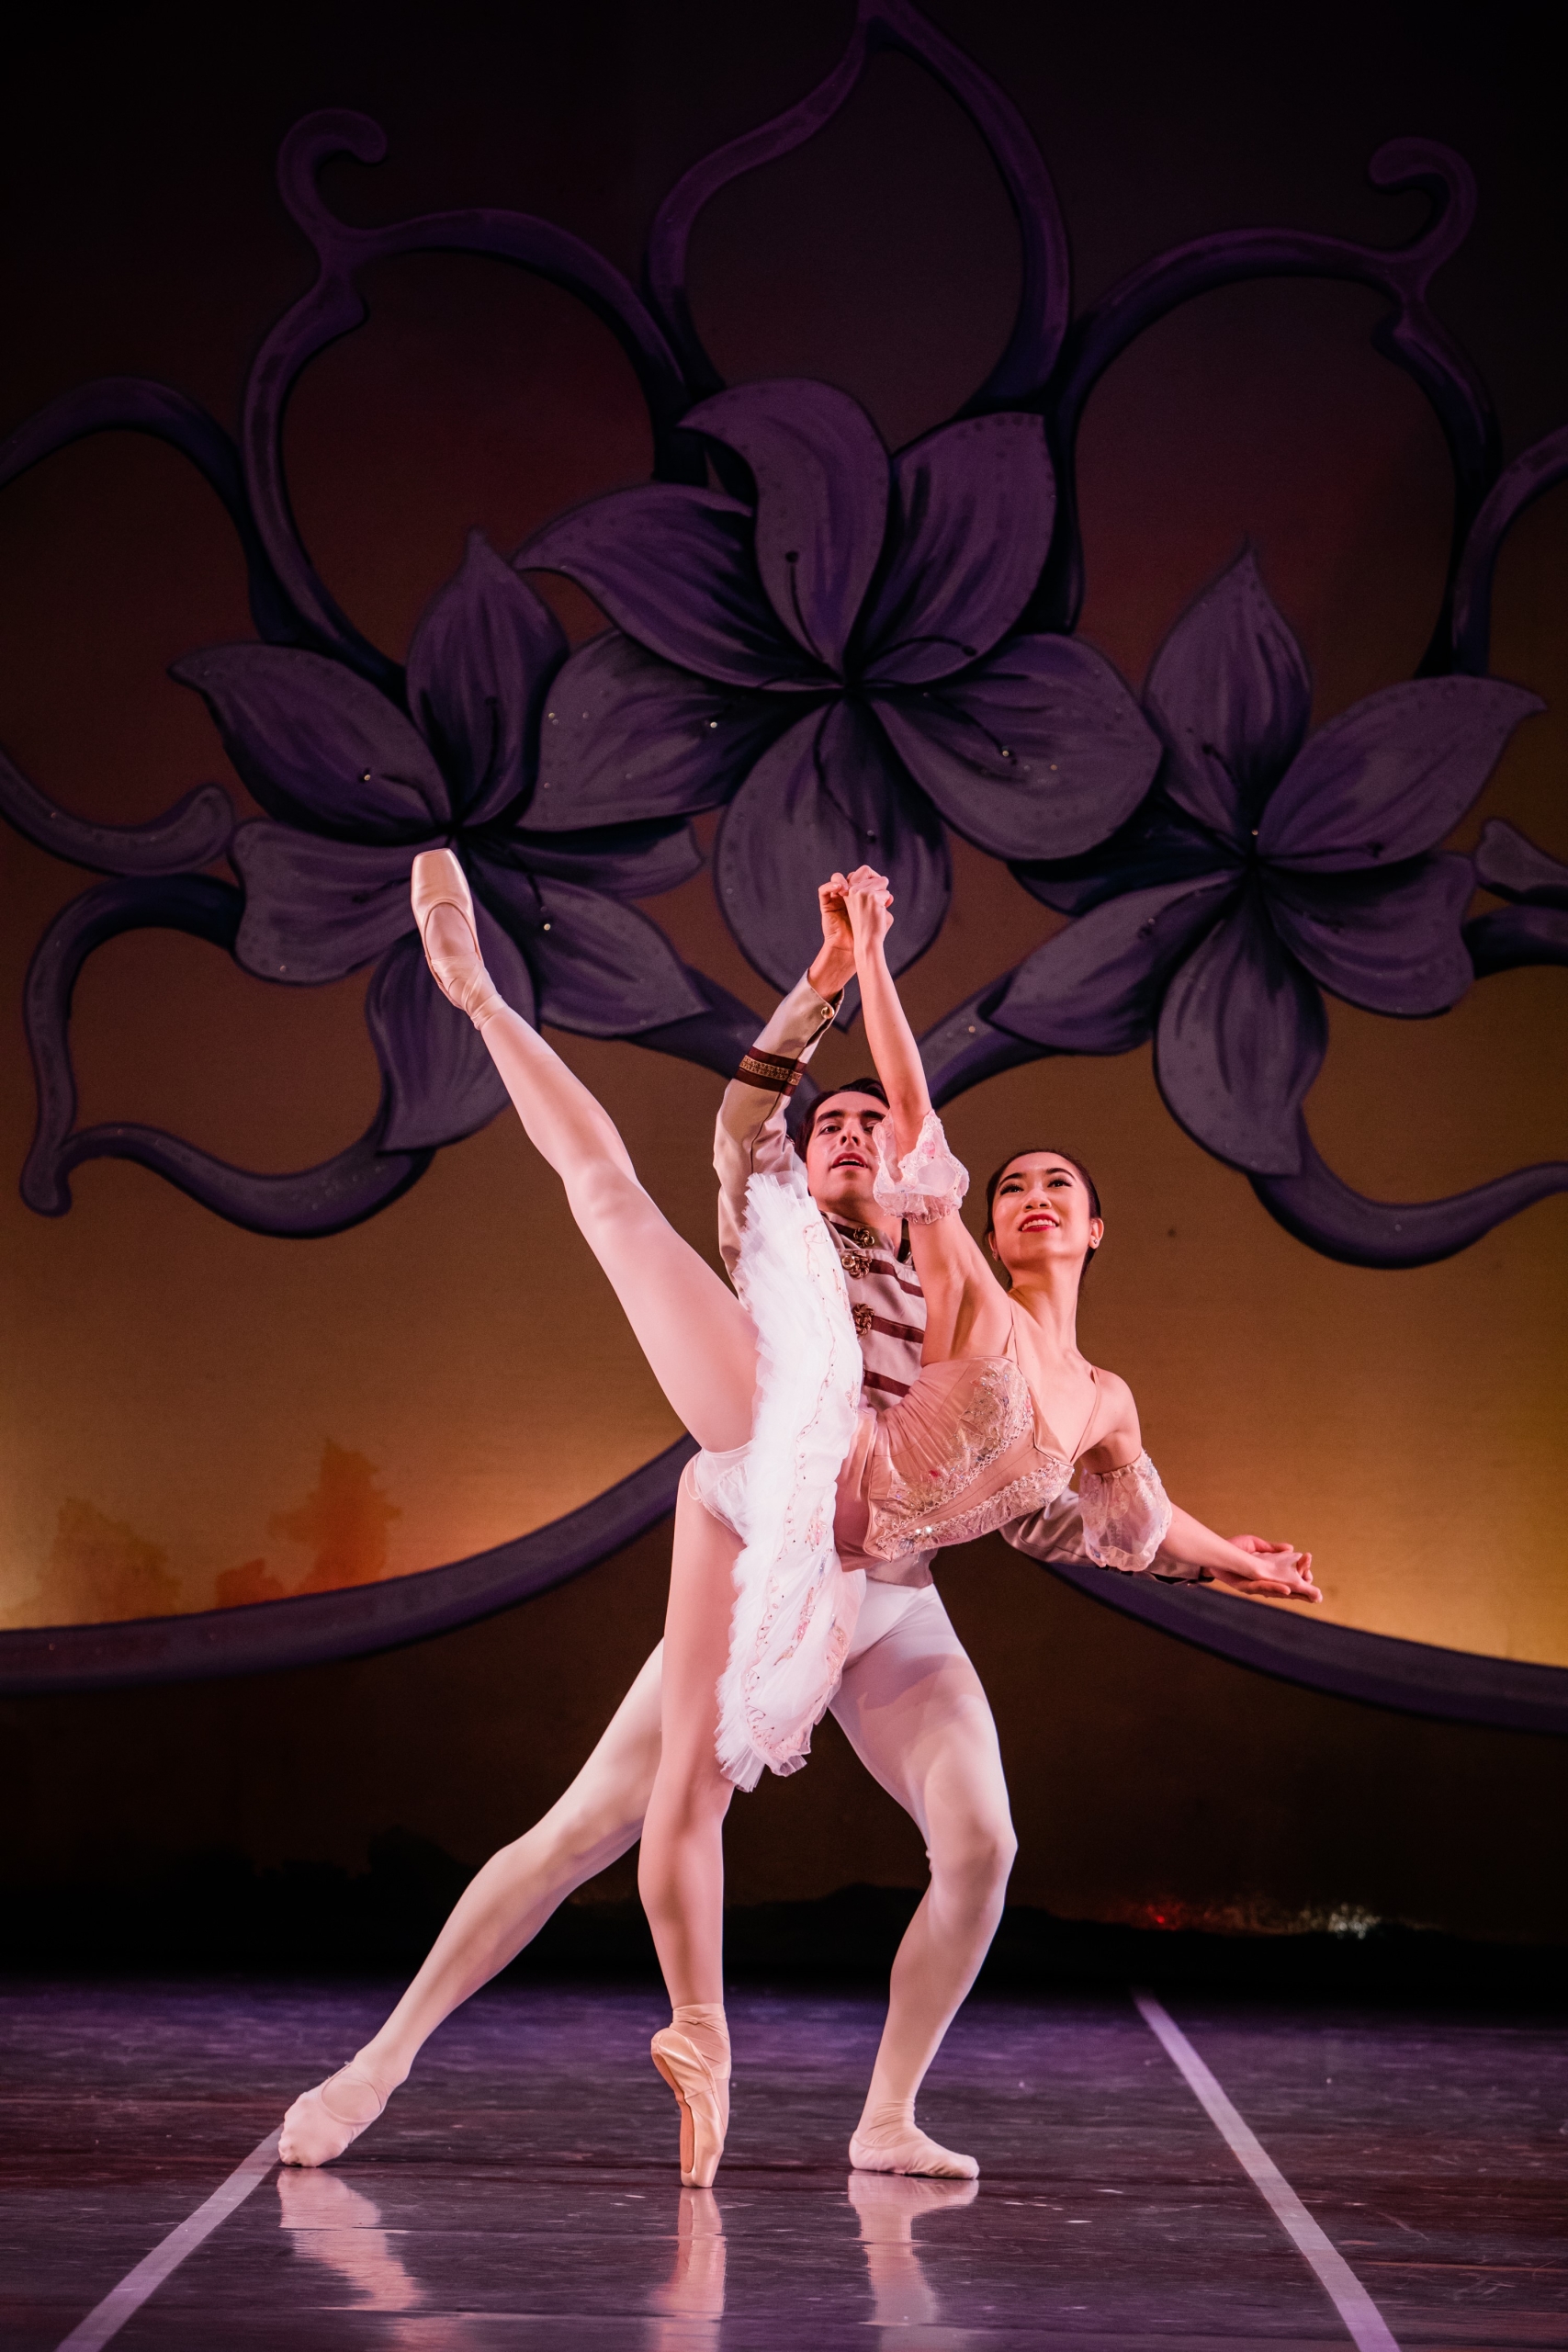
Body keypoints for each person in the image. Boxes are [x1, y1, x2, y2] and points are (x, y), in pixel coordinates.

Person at [279, 856, 1315, 2187]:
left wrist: (1239, 1562)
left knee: (985, 1844)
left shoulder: (975, 1314)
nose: (853, 1136)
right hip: (768, 1510)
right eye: (840, 1128)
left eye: (875, 1137)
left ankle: (885, 2115)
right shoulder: (777, 1230)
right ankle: (377, 2068)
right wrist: (833, 978)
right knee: (573, 1833)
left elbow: (1098, 1514)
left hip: (886, 1594)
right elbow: (753, 1120)